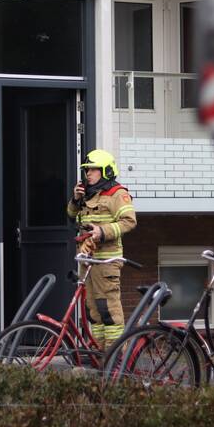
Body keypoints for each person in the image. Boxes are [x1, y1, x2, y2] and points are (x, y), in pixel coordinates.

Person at [66, 149, 137, 349]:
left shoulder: (117, 194)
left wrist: (102, 232)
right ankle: (98, 352)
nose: (88, 174)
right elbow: (71, 216)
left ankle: (115, 356)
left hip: (106, 262)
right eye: (87, 170)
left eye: (93, 170)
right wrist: (75, 200)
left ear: (106, 171)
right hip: (87, 260)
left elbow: (129, 222)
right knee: (93, 311)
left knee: (109, 310)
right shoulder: (87, 194)